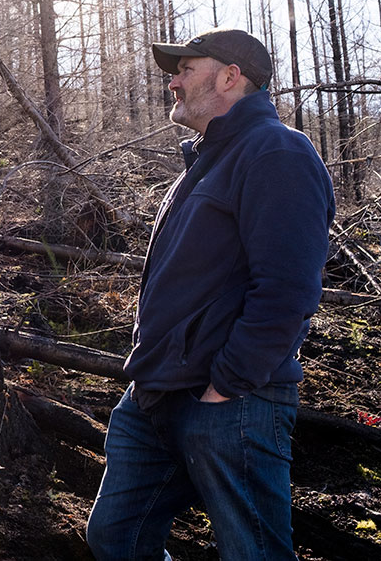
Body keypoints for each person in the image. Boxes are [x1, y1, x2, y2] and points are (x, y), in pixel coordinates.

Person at [85, 28, 335, 560]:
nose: (172, 81)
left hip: (228, 401)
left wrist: (227, 384)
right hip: (155, 393)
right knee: (116, 537)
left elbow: (289, 288)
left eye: (185, 68)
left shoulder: (277, 152)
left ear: (229, 77)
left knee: (253, 552)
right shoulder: (204, 160)